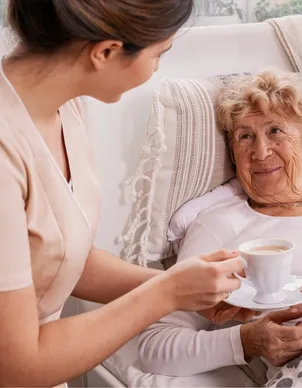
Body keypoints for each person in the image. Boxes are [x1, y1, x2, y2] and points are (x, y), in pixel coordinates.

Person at [0, 1, 251, 386]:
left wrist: (192, 288)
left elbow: (60, 260)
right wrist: (165, 293)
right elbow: (16, 365)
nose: (157, 70)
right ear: (106, 52)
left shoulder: (63, 106)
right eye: (158, 54)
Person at [138, 70, 302, 380]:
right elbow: (156, 346)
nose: (260, 152)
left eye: (275, 131)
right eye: (245, 137)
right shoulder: (219, 224)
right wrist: (247, 340)